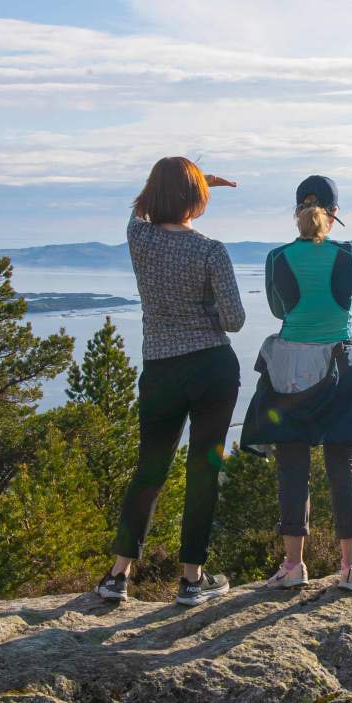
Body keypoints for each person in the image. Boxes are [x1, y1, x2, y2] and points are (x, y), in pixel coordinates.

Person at [95, 157, 246, 606]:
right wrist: (205, 314)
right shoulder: (211, 251)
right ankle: (192, 581)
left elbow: (139, 209)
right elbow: (235, 321)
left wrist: (186, 184)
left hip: (160, 369)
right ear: (197, 198)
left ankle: (118, 575)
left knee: (150, 470)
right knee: (203, 472)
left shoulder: (138, 238)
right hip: (212, 368)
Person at [241, 175, 352, 593]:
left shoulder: (277, 257)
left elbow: (279, 308)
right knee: (342, 466)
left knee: (292, 468)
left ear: (297, 213)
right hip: (338, 366)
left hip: (287, 369)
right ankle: (350, 567)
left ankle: (293, 565)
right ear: (334, 214)